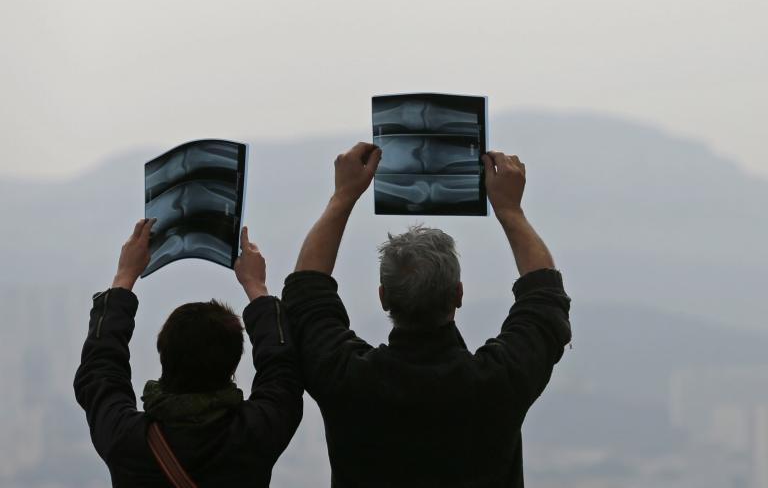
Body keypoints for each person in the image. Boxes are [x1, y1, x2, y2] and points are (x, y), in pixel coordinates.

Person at [284, 142, 572, 487]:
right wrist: (510, 210)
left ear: (383, 297)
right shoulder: (497, 384)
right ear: (459, 294)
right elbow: (544, 299)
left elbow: (306, 295)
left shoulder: (347, 381)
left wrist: (343, 196)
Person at [73, 221, 303, 487]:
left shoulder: (127, 440)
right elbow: (282, 370)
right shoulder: (255, 434)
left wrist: (124, 277)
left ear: (164, 357)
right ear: (231, 368)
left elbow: (100, 370)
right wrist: (255, 285)